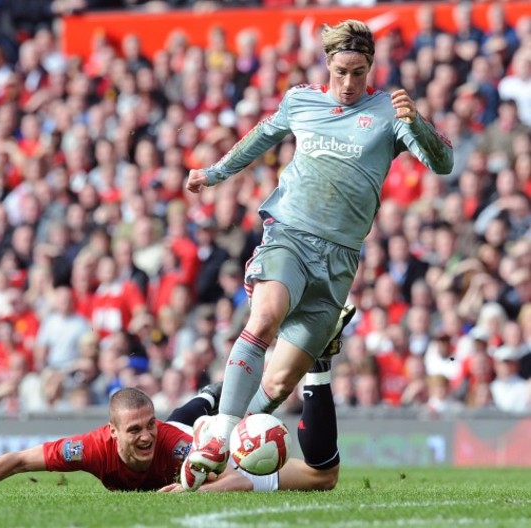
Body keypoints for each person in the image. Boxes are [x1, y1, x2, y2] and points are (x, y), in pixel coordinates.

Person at [180, 19, 453, 492]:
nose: (349, 83)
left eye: (359, 73)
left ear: (371, 69)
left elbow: (443, 163)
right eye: (342, 70)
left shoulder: (389, 112)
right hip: (289, 235)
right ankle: (219, 436)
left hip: (340, 261)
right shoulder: (301, 100)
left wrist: (418, 123)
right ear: (328, 64)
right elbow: (261, 138)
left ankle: (215, 437)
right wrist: (214, 173)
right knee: (265, 316)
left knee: (282, 383)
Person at [0, 385, 337, 494]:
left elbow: (238, 477)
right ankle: (208, 397)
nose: (144, 436)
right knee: (182, 421)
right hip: (183, 429)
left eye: (148, 425)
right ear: (111, 432)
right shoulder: (89, 448)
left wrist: (194, 491)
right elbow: (17, 460)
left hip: (209, 442)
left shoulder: (175, 444)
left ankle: (220, 402)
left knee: (321, 480)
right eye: (133, 429)